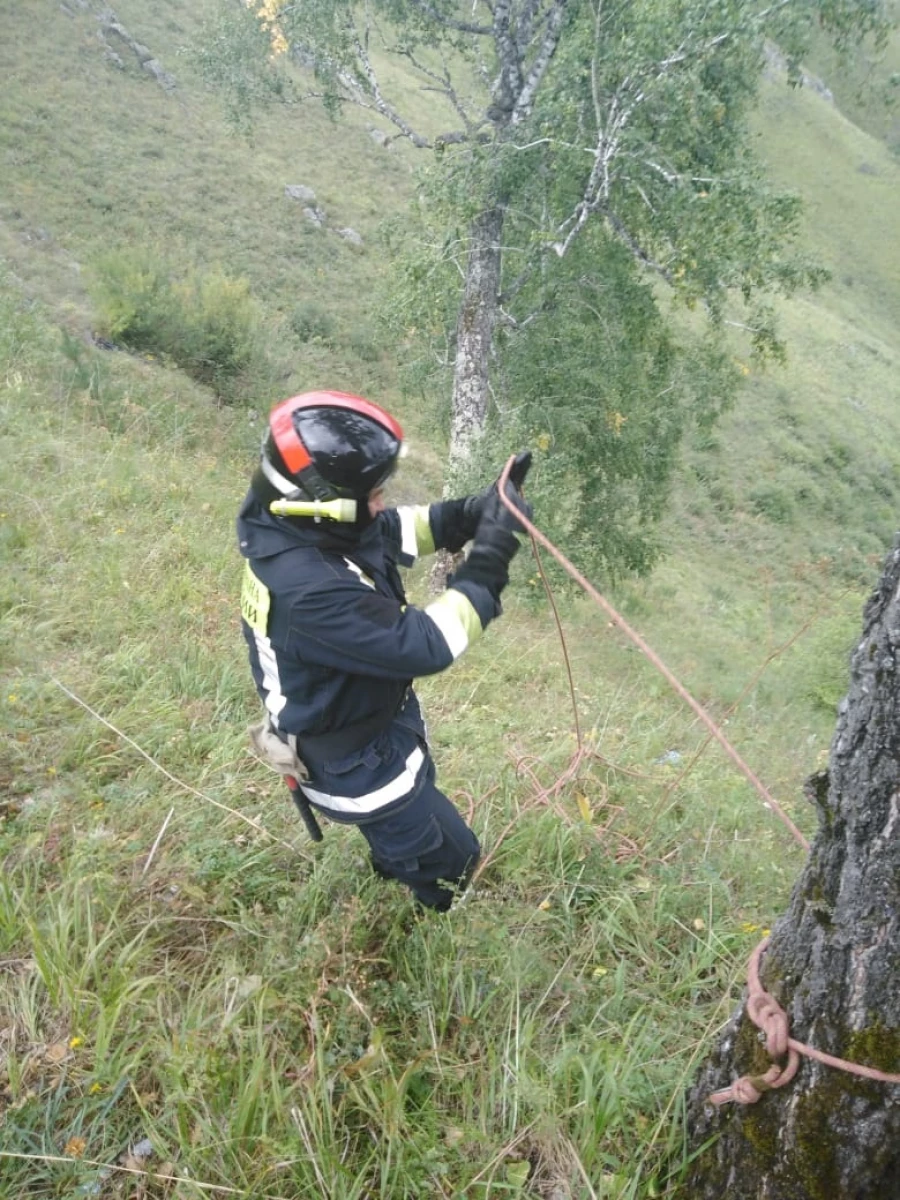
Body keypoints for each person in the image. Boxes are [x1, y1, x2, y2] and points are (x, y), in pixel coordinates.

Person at [237, 389, 532, 911]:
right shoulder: (308, 590)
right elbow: (426, 644)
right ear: (324, 504)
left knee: (415, 823)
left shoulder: (299, 521)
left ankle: (396, 861)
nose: (381, 504)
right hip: (355, 760)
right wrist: (490, 558)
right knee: (452, 861)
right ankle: (425, 915)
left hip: (376, 721)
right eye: (371, 495)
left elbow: (388, 531)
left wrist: (471, 514)